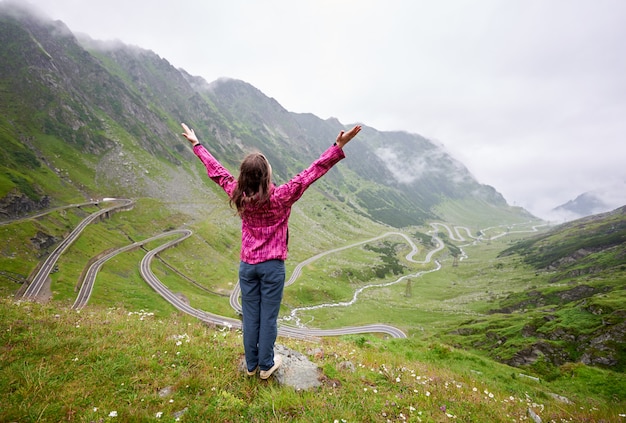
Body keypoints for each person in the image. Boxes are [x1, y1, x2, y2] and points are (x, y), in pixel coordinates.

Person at [181, 122, 362, 379]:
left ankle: (252, 364)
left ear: (244, 177)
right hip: (272, 267)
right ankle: (266, 365)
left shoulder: (238, 195)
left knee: (251, 314)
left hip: (248, 266)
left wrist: (197, 145)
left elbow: (217, 172)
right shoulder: (282, 196)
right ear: (267, 175)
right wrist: (337, 147)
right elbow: (312, 172)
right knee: (268, 318)